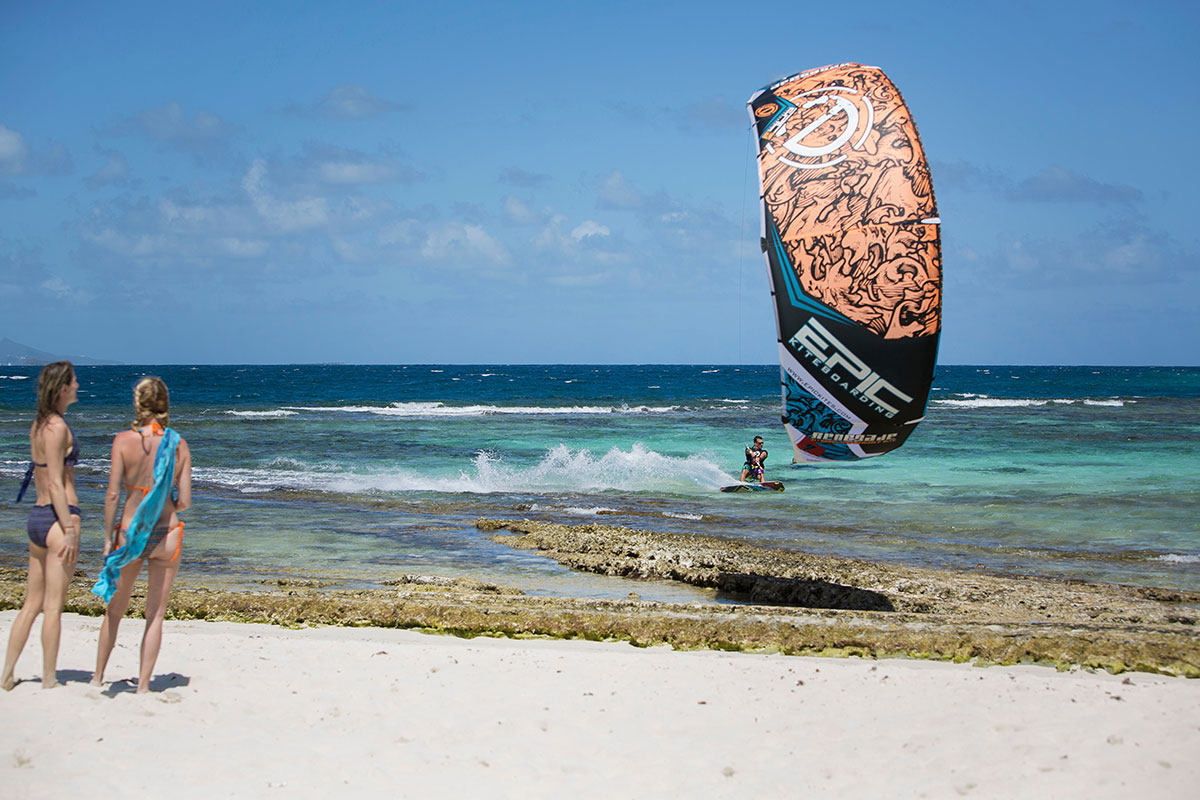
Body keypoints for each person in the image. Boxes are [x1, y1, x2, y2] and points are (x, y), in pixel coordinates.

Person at [91, 377, 191, 693]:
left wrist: (108, 538)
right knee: (155, 615)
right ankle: (144, 686)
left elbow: (112, 495)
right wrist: (165, 503)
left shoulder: (123, 441)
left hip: (130, 533)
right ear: (165, 405)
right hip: (167, 533)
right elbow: (185, 500)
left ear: (139, 404)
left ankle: (97, 678)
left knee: (115, 611)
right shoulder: (178, 444)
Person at [2, 361, 82, 690]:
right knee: (52, 607)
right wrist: (69, 527)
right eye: (74, 382)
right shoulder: (56, 427)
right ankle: (49, 679)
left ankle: (7, 673)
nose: (78, 386)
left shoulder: (39, 426)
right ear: (62, 388)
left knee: (30, 603)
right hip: (55, 518)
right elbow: (54, 485)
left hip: (36, 519)